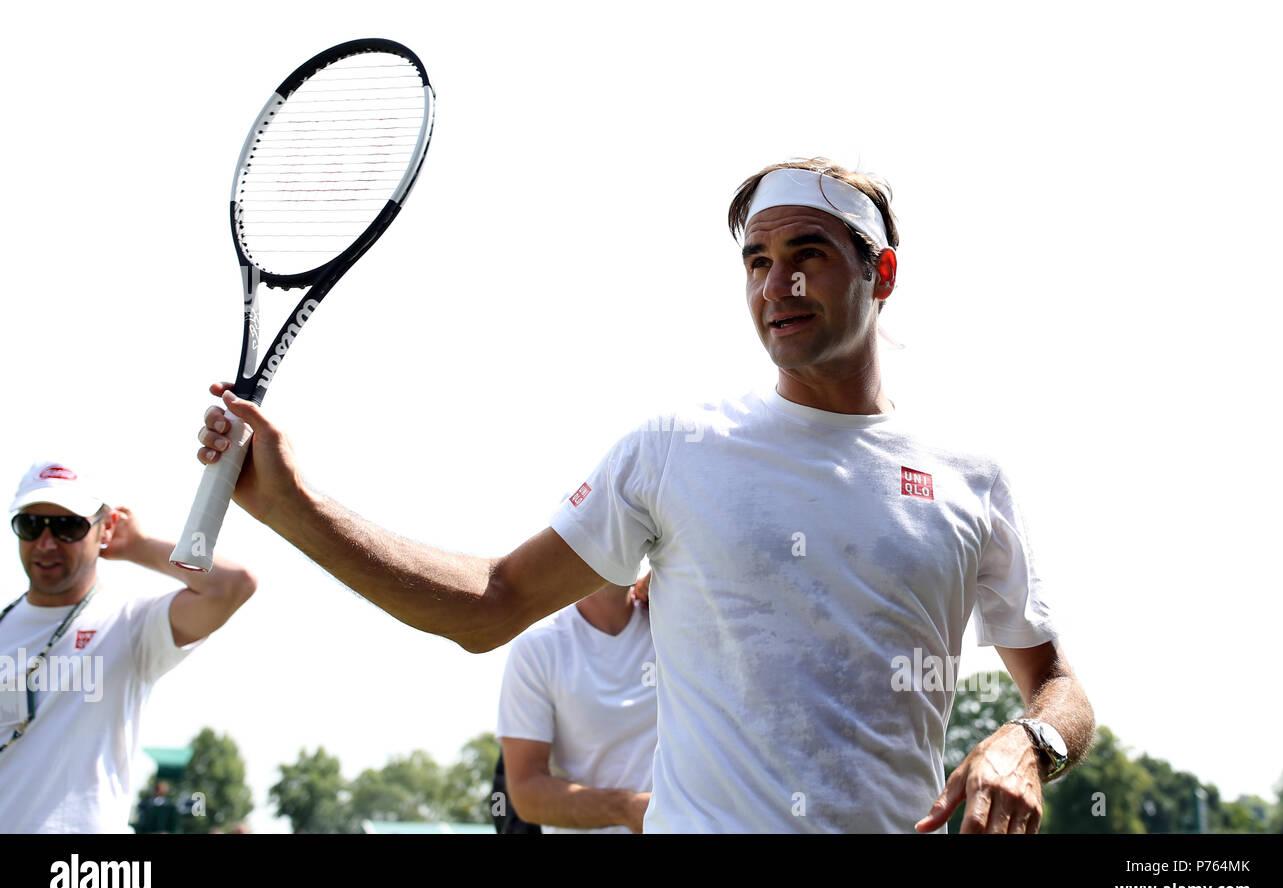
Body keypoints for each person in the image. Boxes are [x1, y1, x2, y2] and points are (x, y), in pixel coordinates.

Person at [195, 157, 1094, 833]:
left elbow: (1057, 686)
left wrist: (1029, 742)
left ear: (881, 275)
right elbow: (490, 605)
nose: (775, 284)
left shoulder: (970, 479)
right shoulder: (675, 449)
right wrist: (290, 507)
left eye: (807, 255)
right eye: (756, 260)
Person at [0, 461, 256, 833]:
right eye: (31, 525)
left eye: (68, 526)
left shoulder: (129, 622)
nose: (46, 543)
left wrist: (137, 546)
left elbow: (233, 586)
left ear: (106, 528)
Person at [496, 572, 655, 834]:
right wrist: (627, 808)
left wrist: (677, 585)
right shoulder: (537, 649)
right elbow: (526, 792)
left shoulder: (675, 630)